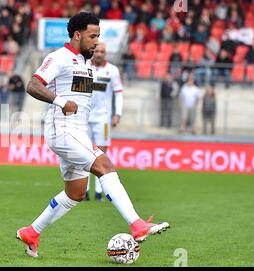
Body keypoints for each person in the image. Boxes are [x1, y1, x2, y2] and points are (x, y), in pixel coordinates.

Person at [16, 12, 169, 258]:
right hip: (63, 131)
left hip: (78, 132)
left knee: (75, 193)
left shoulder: (85, 62)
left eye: (98, 36)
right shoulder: (59, 58)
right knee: (105, 165)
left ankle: (31, 232)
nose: (96, 41)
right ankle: (137, 225)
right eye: (92, 36)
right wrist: (60, 101)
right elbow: (33, 85)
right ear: (77, 35)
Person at [85, 42, 123, 202]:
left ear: (105, 53)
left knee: (101, 154)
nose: (99, 54)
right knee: (85, 153)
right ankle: (85, 190)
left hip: (104, 119)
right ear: (93, 51)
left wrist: (117, 114)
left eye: (102, 51)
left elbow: (119, 93)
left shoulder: (112, 70)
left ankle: (100, 191)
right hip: (85, 117)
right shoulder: (85, 66)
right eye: (97, 51)